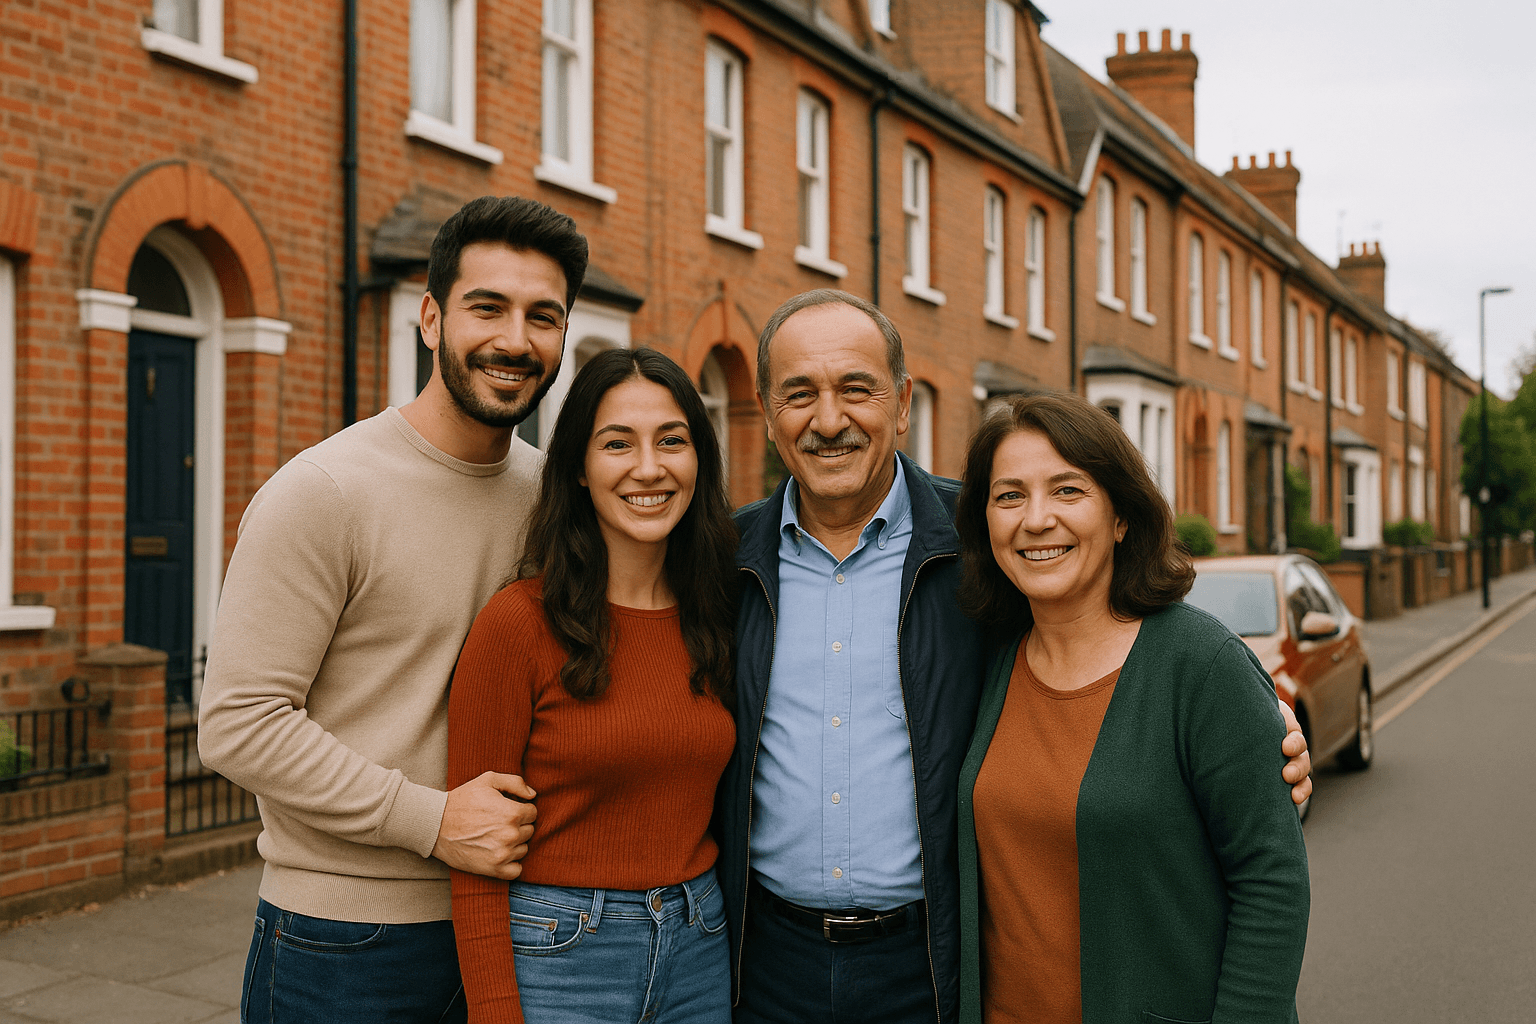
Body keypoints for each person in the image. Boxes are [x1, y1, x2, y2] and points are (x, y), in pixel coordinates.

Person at [716, 288, 1314, 1024]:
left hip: (932, 966)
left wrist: (1268, 743)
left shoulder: (983, 551)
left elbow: (1139, 682)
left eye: (857, 389)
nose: (829, 419)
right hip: (767, 964)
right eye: (799, 393)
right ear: (767, 410)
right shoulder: (717, 562)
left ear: (902, 404)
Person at [199, 195, 587, 1023]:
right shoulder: (325, 492)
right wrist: (434, 820)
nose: (515, 340)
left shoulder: (555, 498)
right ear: (430, 319)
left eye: (542, 316)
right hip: (341, 939)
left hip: (515, 923)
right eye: (487, 308)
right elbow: (239, 721)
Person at [953, 392, 1311, 1024]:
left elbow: (1272, 882)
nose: (1036, 519)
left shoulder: (1200, 664)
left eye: (1068, 490)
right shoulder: (987, 661)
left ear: (1121, 516)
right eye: (1010, 496)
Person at [447, 347, 739, 1024]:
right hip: (559, 953)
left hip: (701, 946)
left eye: (673, 440)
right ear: (578, 467)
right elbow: (473, 855)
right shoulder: (517, 624)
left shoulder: (720, 613)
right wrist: (494, 1012)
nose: (649, 467)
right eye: (618, 443)